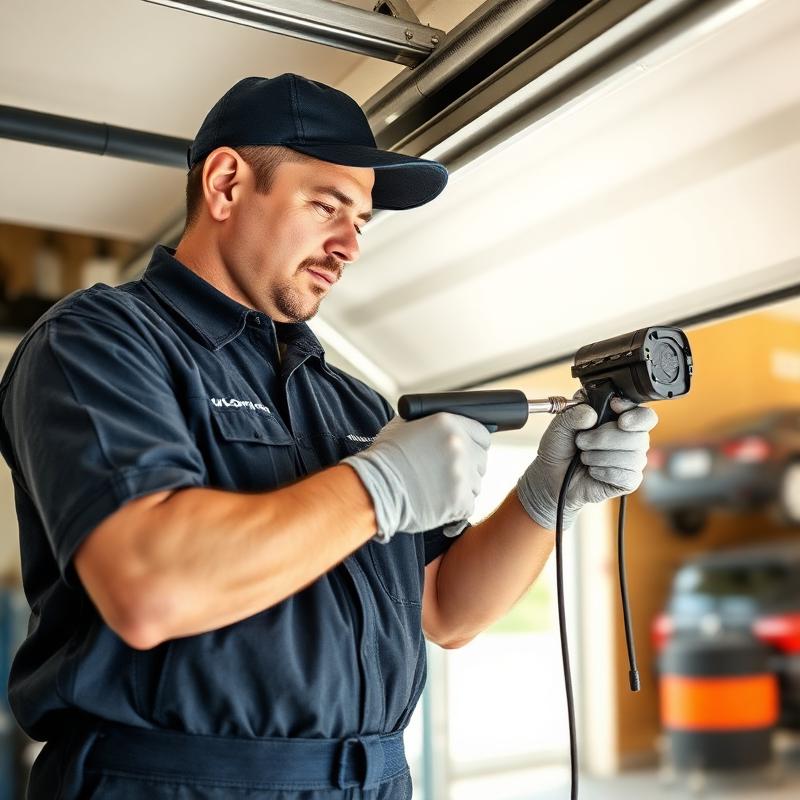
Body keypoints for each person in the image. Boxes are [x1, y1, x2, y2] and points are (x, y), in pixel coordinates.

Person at [0, 74, 657, 799]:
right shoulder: (100, 342)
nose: (349, 246)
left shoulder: (352, 401)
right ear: (225, 184)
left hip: (373, 781)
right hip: (176, 783)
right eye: (326, 206)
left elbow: (446, 609)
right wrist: (378, 486)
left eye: (362, 222)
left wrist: (545, 497)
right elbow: (150, 586)